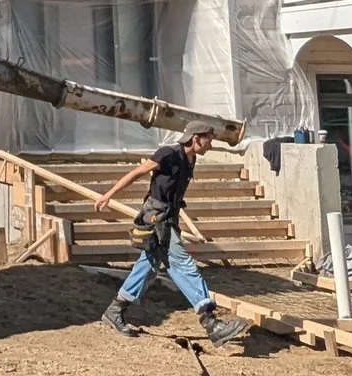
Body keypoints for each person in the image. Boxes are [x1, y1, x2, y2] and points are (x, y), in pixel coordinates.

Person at [92, 121, 251, 345]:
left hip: (169, 216)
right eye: (209, 140)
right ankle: (211, 322)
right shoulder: (168, 153)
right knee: (182, 264)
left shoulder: (191, 159)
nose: (211, 145)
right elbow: (138, 171)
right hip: (157, 217)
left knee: (148, 265)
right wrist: (108, 195)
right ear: (196, 138)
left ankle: (115, 310)